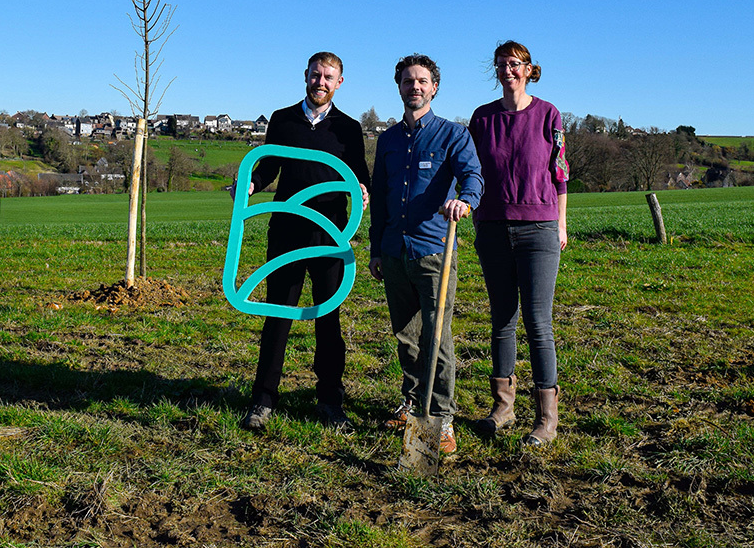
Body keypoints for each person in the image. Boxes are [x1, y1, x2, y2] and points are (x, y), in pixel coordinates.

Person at [237, 51, 370, 431]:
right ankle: (262, 401)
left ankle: (330, 401)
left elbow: (359, 173)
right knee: (277, 316)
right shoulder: (282, 119)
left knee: (328, 319)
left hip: (331, 235)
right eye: (316, 75)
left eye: (329, 77)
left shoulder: (348, 127)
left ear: (339, 82)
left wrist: (364, 189)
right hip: (287, 232)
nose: (321, 82)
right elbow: (267, 168)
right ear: (305, 76)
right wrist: (250, 185)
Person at [369, 54, 482, 454]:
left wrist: (465, 201)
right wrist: (375, 248)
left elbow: (473, 176)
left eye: (421, 81)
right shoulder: (387, 140)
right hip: (394, 251)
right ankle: (412, 402)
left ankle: (442, 418)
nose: (414, 87)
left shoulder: (453, 135)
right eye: (407, 81)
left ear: (434, 87)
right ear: (398, 86)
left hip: (435, 250)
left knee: (437, 337)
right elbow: (381, 198)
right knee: (407, 335)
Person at [469, 40, 569, 445]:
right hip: (492, 228)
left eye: (515, 64)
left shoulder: (549, 114)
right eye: (501, 65)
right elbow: (470, 170)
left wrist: (561, 224)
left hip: (539, 229)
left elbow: (560, 173)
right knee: (501, 321)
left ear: (529, 69)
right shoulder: (482, 118)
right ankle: (503, 407)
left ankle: (547, 419)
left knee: (538, 322)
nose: (507, 70)